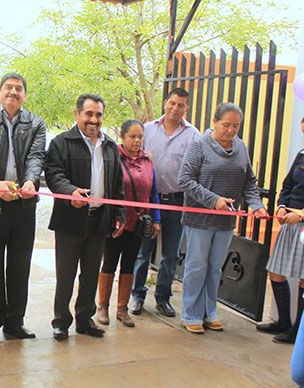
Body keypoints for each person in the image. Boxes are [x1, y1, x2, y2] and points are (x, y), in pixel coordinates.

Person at [177, 102, 268, 334]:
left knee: (215, 268)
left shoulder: (241, 148)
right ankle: (191, 314)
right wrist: (213, 200)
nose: (230, 130)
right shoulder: (199, 145)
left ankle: (210, 313)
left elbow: (249, 182)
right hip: (200, 220)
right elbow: (185, 180)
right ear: (214, 122)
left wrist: (256, 205)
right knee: (197, 266)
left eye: (235, 126)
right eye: (225, 125)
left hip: (226, 221)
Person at [0, 73, 46, 342]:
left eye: (19, 89)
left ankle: (15, 322)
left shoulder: (36, 123)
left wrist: (30, 180)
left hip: (24, 204)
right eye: (8, 88)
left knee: (19, 265)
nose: (13, 92)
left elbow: (37, 156)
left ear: (25, 94)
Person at [45, 94, 125, 340]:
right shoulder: (61, 143)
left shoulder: (110, 146)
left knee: (91, 274)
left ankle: (84, 319)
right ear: (77, 114)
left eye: (98, 114)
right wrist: (70, 192)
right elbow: (53, 174)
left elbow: (117, 184)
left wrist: (119, 213)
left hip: (100, 220)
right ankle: (61, 321)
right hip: (70, 219)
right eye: (89, 114)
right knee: (66, 274)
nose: (94, 119)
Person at [130, 87, 200, 317]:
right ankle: (137, 296)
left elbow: (197, 169)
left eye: (180, 105)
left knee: (170, 255)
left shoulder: (193, 135)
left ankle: (163, 298)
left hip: (176, 202)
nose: (175, 108)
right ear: (165, 104)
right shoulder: (148, 130)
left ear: (186, 108)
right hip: (148, 202)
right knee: (142, 252)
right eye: (172, 103)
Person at [96, 120, 160, 328]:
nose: (137, 140)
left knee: (129, 264)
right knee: (109, 262)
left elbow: (154, 192)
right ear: (122, 137)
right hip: (117, 222)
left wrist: (156, 219)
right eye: (132, 136)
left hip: (139, 223)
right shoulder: (113, 158)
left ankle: (122, 308)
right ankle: (102, 306)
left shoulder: (148, 161)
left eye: (140, 136)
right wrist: (114, 216)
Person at [256, 116, 304, 344]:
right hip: (289, 222)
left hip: (302, 222)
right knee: (275, 271)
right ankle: (283, 321)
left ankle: (298, 331)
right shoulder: (301, 155)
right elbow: (287, 185)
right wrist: (283, 206)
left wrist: (301, 215)